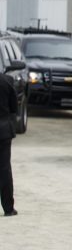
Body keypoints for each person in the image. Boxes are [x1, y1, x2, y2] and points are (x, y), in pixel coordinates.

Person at [0, 72, 17, 216]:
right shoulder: (7, 81)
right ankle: (8, 208)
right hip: (4, 131)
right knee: (5, 169)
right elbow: (14, 108)